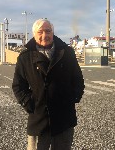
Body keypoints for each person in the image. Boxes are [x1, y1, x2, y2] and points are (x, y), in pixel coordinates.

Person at [12, 18, 85, 150]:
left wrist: (74, 97)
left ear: (53, 32)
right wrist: (28, 103)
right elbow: (18, 85)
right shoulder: (25, 57)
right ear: (34, 34)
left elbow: (78, 79)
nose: (45, 35)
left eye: (48, 31)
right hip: (38, 117)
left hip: (64, 117)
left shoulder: (67, 53)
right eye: (40, 32)